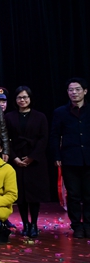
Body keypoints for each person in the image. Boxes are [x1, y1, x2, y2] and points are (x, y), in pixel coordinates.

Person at [4, 86, 48, 237]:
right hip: (16, 157)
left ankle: (34, 224)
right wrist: (14, 157)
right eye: (19, 97)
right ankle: (25, 224)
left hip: (35, 159)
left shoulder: (40, 116)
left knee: (33, 194)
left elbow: (44, 138)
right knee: (20, 194)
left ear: (30, 98)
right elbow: (6, 138)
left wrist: (32, 157)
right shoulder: (9, 116)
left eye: (25, 97)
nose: (22, 100)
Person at [50, 77, 90, 238]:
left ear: (85, 91)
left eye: (77, 89)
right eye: (71, 90)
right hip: (69, 159)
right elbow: (54, 136)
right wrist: (56, 155)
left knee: (88, 194)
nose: (74, 92)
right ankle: (77, 226)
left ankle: (88, 224)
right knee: (73, 195)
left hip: (88, 158)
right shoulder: (60, 112)